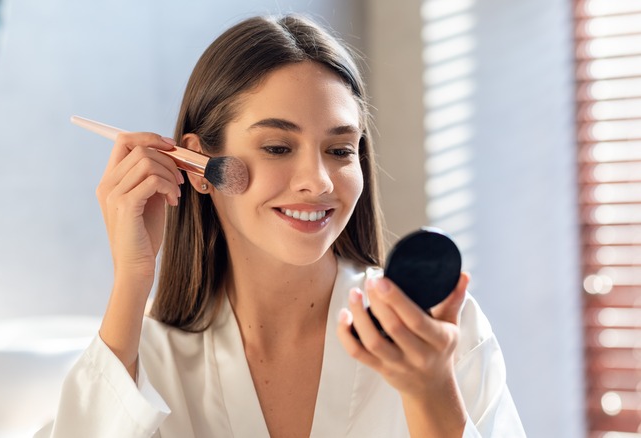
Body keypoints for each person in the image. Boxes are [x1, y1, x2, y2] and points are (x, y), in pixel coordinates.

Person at [37, 14, 525, 438]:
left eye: (339, 151)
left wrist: (431, 393)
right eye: (277, 148)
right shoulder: (143, 358)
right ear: (200, 165)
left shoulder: (435, 332)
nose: (317, 181)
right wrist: (132, 277)